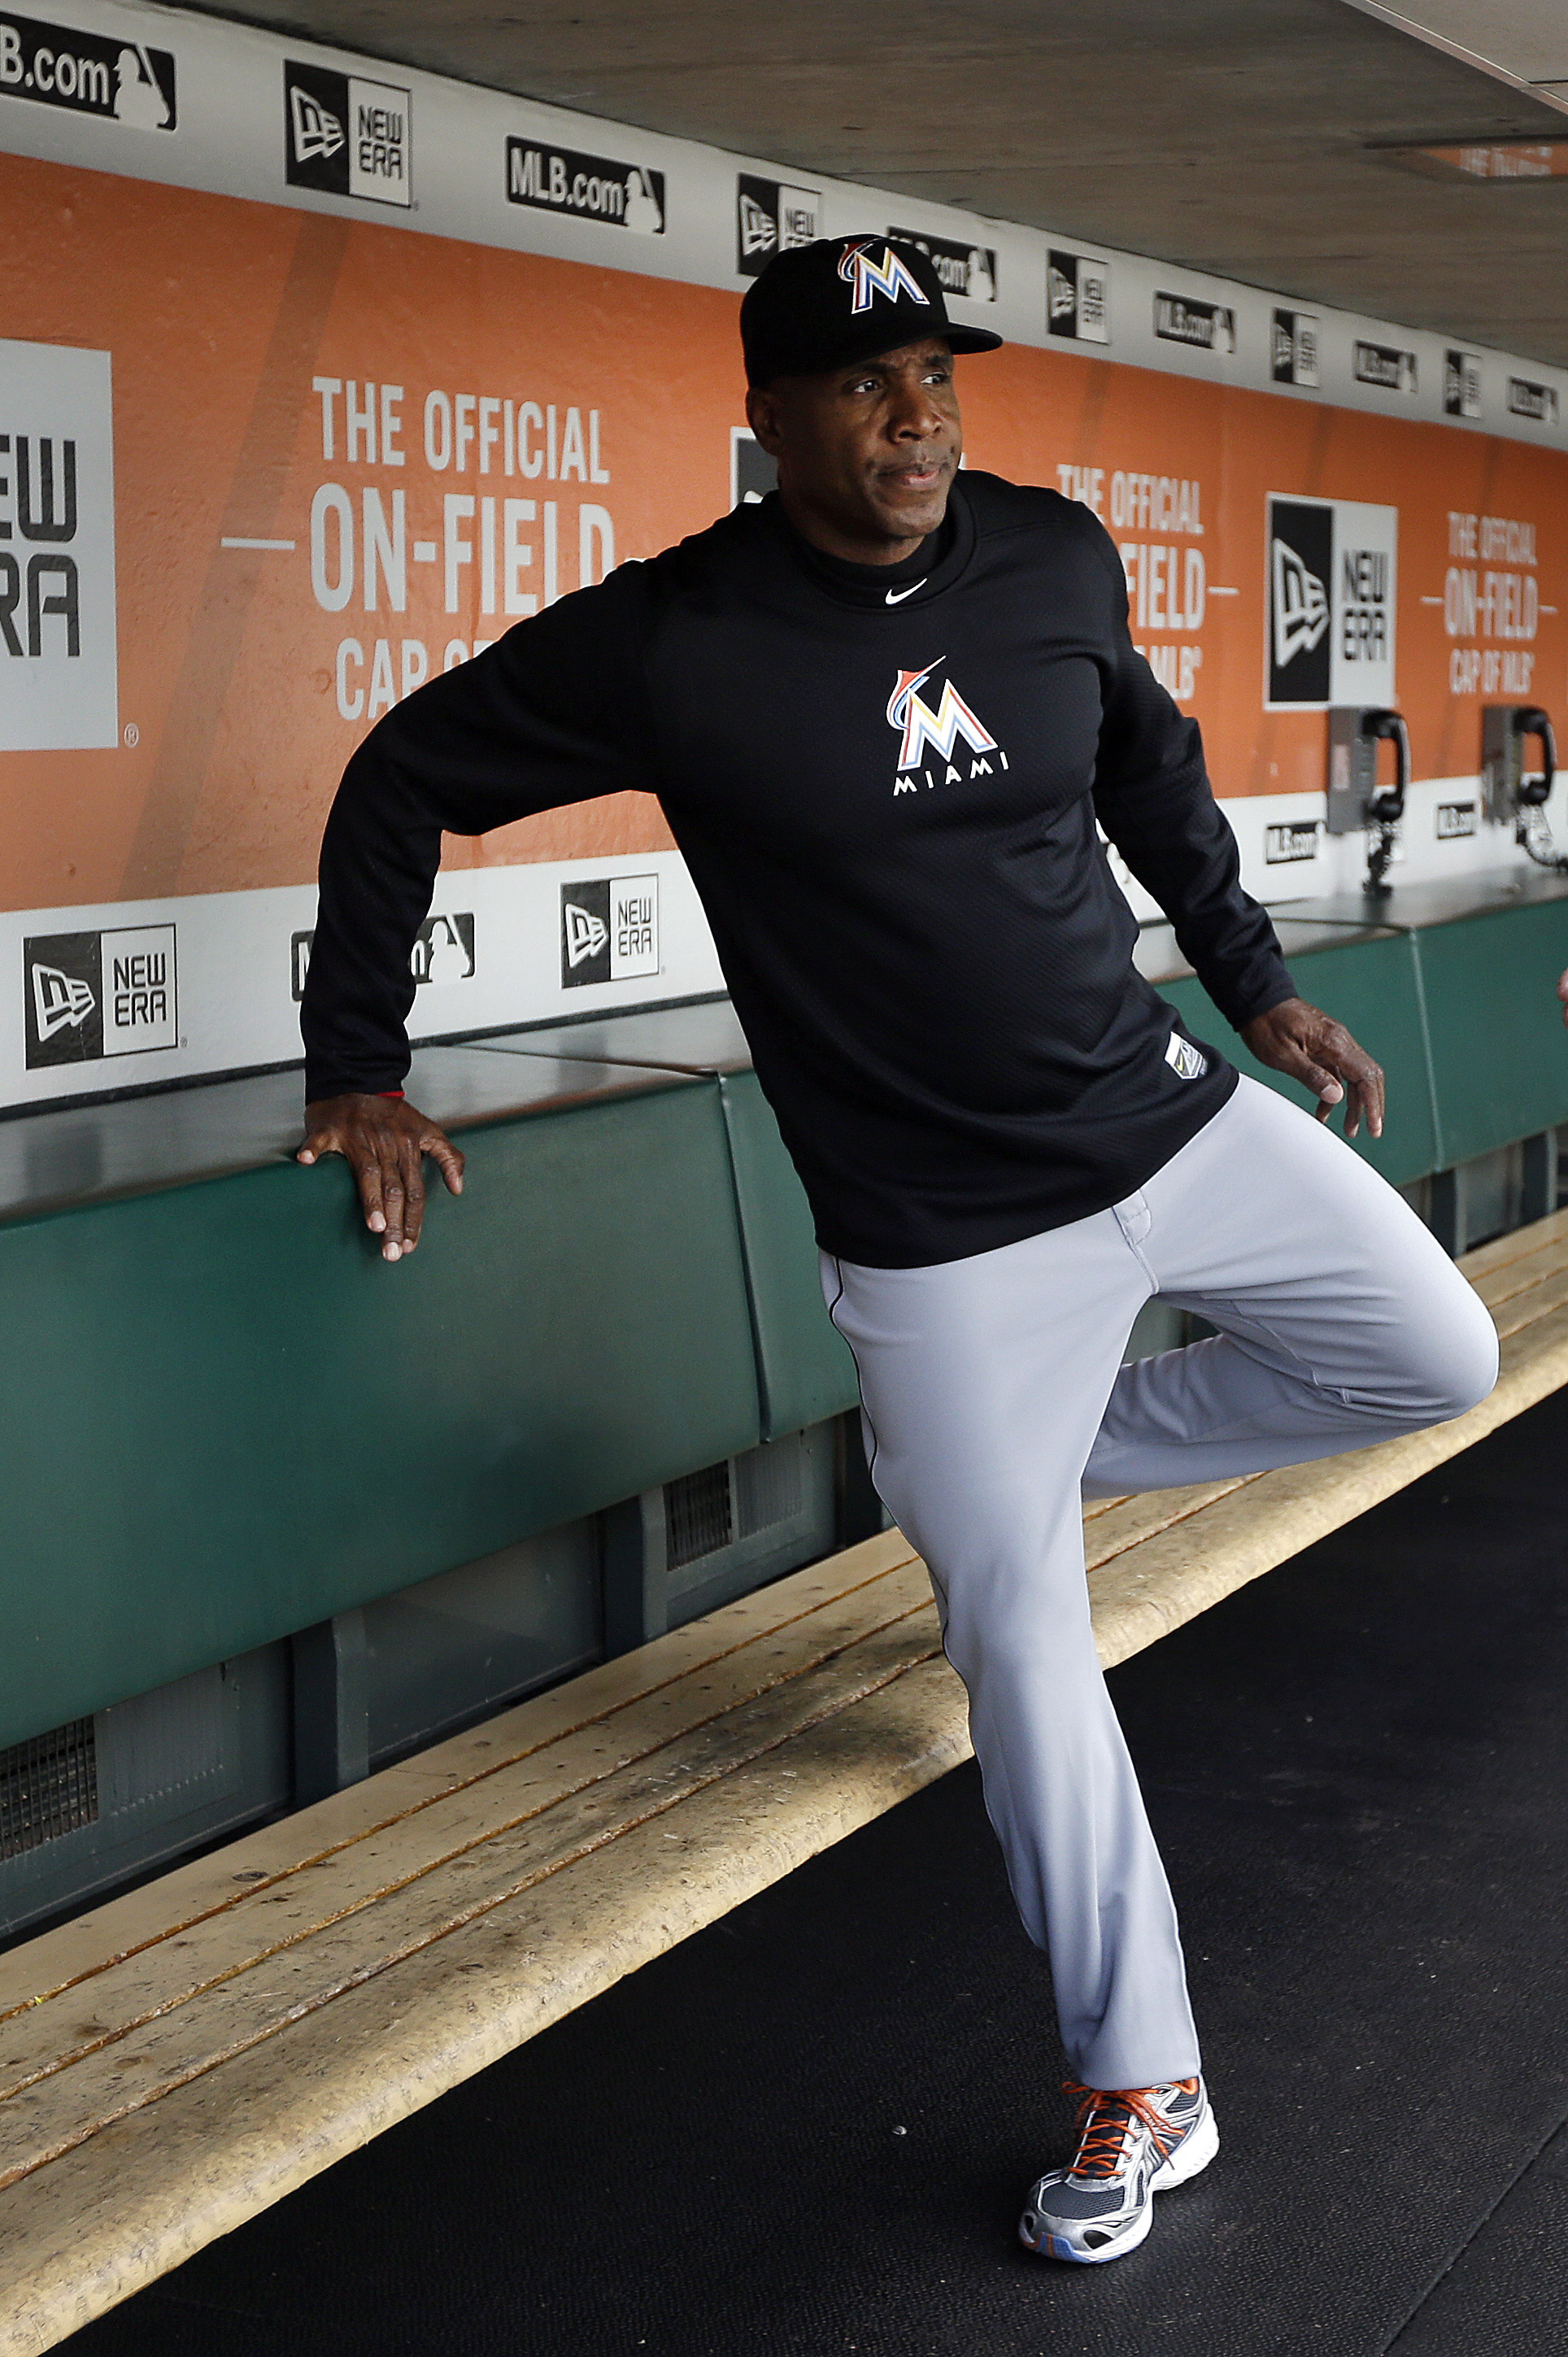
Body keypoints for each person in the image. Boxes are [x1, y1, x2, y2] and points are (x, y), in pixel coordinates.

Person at [295, 235, 1499, 2265]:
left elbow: (1150, 770)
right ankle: (1145, 2081)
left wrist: (1257, 982)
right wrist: (360, 1067)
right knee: (1019, 1643)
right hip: (946, 1241)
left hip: (1160, 1116)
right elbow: (402, 772)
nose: (917, 417)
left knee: (1438, 1356)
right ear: (769, 417)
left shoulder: (1050, 559)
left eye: (935, 375)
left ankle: (1038, 1457)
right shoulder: (676, 639)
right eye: (867, 384)